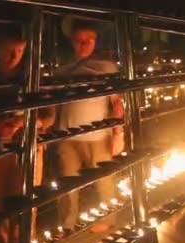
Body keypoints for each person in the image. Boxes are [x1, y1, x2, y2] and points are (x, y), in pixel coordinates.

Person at [0, 28, 53, 243]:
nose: (13, 56)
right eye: (9, 51)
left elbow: (49, 116)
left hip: (28, 149)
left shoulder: (33, 78)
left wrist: (24, 121)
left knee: (26, 206)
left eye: (19, 51)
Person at [55, 20, 125, 231]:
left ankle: (108, 219)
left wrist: (118, 133)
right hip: (67, 137)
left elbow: (117, 103)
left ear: (95, 42)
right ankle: (67, 225)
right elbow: (56, 106)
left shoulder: (107, 68)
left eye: (89, 40)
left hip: (98, 136)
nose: (84, 45)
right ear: (72, 42)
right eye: (79, 40)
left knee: (104, 182)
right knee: (67, 185)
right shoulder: (62, 71)